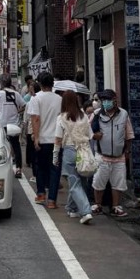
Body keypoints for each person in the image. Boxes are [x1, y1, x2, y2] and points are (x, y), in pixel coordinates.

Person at [91, 89, 134, 217]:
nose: (106, 103)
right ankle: (98, 205)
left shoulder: (123, 114)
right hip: (102, 156)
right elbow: (87, 131)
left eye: (108, 100)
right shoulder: (97, 114)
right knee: (98, 181)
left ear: (115, 100)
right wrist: (95, 136)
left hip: (119, 156)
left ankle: (116, 206)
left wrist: (128, 150)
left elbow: (129, 134)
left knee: (118, 183)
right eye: (103, 100)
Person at [53, 91, 94, 224]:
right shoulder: (84, 116)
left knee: (74, 183)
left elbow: (58, 139)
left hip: (70, 151)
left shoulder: (62, 117)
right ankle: (72, 208)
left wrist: (55, 156)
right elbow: (91, 135)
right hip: (84, 149)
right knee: (81, 181)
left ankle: (86, 211)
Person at [28, 71, 63, 209]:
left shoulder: (36, 98)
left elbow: (35, 118)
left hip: (42, 139)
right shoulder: (59, 99)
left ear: (40, 84)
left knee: (41, 167)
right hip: (56, 140)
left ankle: (41, 194)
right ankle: (52, 201)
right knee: (55, 169)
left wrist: (36, 138)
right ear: (52, 84)